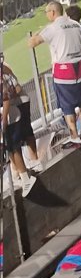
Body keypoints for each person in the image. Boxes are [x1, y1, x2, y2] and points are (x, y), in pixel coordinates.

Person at [27, 0, 81, 147]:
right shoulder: (75, 24)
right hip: (79, 67)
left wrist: (39, 31)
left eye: (46, 12)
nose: (46, 15)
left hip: (63, 72)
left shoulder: (52, 28)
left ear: (52, 12)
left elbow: (31, 43)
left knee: (67, 106)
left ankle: (74, 136)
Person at [2, 63, 37, 196]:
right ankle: (20, 175)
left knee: (14, 147)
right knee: (10, 148)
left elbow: (7, 97)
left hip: (11, 116)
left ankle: (25, 177)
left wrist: (4, 119)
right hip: (10, 115)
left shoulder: (3, 71)